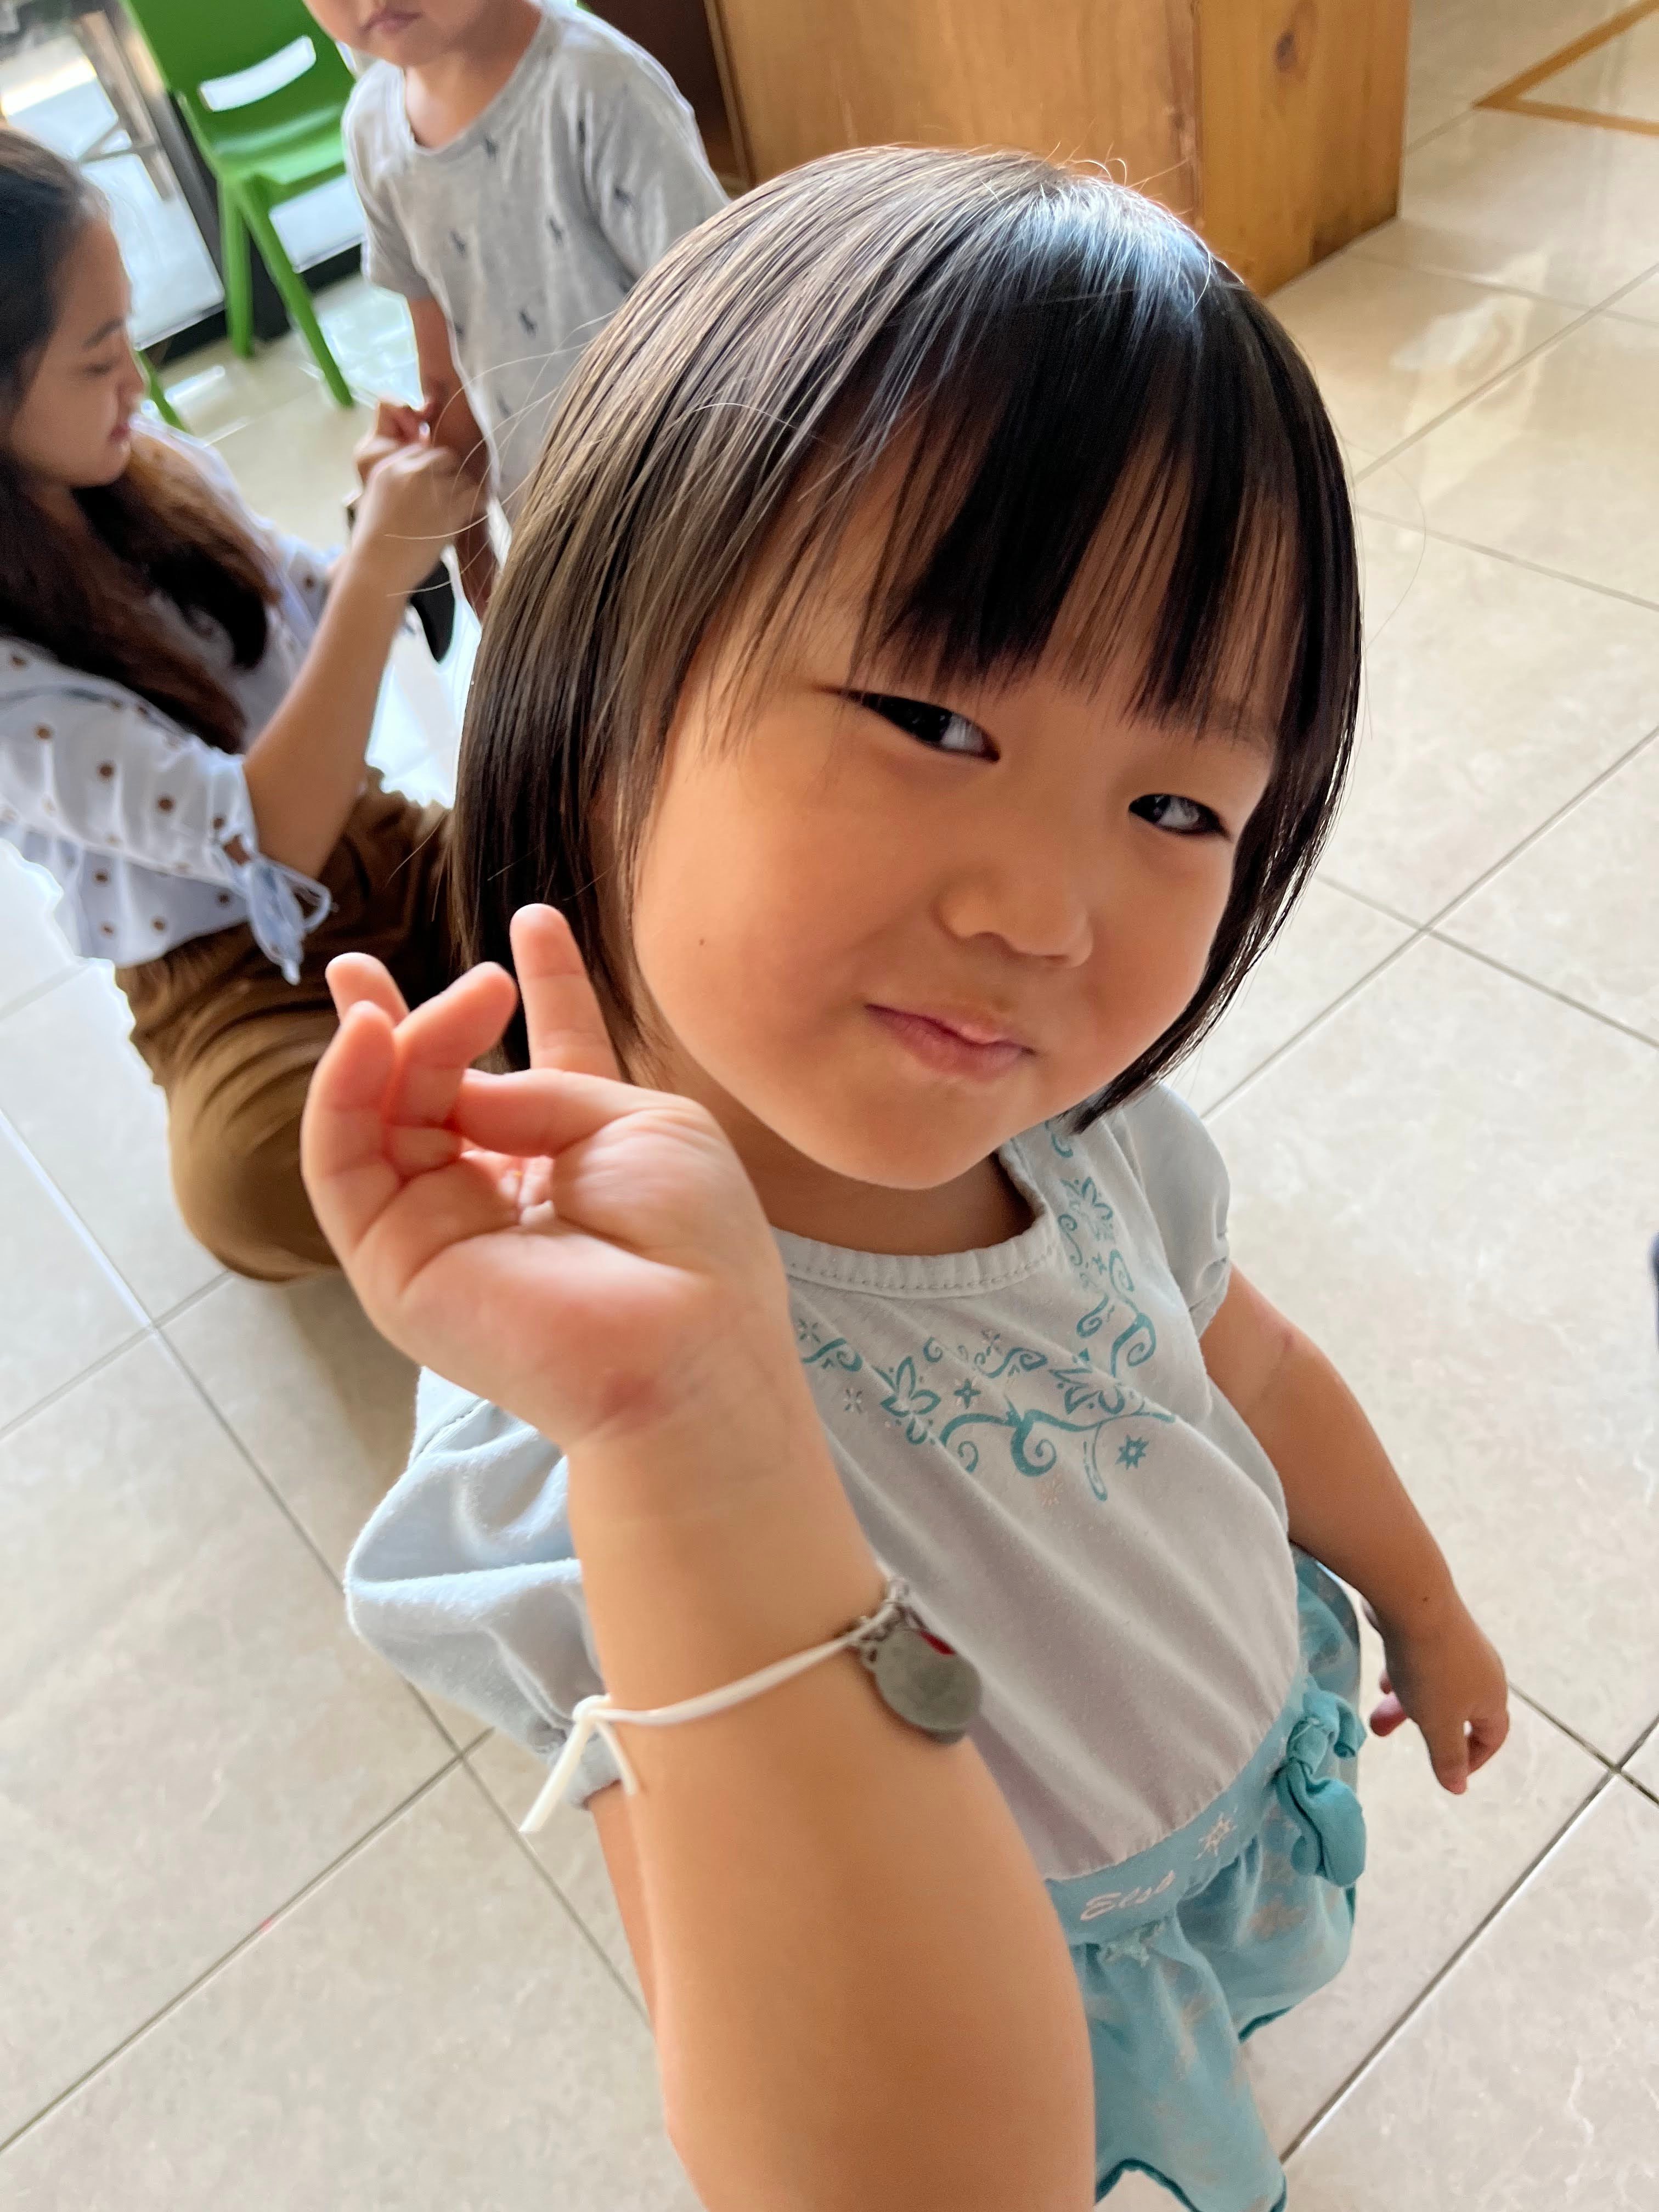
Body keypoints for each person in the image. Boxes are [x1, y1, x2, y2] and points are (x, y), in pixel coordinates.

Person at [301, 150, 1511, 2210]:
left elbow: (1254, 1365)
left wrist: (1420, 1591)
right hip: (1012, 1995)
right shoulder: (571, 1398)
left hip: (1222, 1801)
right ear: (599, 680)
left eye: (1169, 799)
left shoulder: (1075, 1130)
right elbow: (840, 2159)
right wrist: (686, 1427)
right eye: (931, 714)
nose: (1043, 908)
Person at [0, 132, 478, 1281]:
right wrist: (376, 574)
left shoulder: (133, 460)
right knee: (255, 1171)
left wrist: (370, 532)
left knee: (609, 853)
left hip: (380, 859)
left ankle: (461, 1081)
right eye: (98, 356)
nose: (139, 383)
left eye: (130, 338)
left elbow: (292, 608)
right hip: (227, 986)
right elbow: (263, 834)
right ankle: (476, 1085)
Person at [311, 0, 727, 612]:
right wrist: (478, 563)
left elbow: (732, 322)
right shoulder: (372, 129)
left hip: (690, 512)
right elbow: (444, 369)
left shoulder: (599, 87)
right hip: (545, 528)